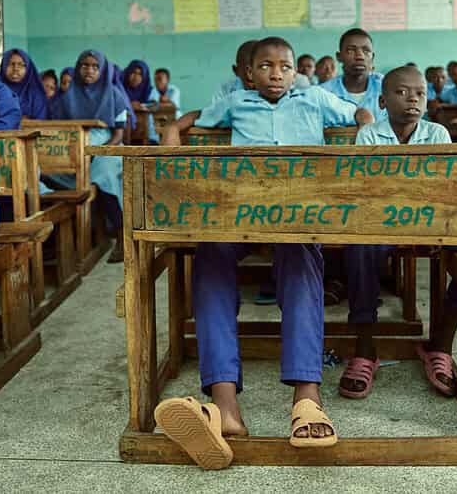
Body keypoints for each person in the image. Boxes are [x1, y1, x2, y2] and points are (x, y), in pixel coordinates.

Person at [154, 37, 373, 469]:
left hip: (298, 214)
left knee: (303, 260)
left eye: (285, 67)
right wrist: (174, 129)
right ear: (248, 73)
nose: (276, 74)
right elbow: (199, 116)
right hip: (239, 211)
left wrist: (365, 123)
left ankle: (306, 399)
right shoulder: (236, 102)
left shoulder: (314, 98)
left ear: (296, 72)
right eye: (266, 67)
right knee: (211, 256)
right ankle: (224, 405)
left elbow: (357, 114)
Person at [339, 67, 457, 400]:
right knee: (359, 247)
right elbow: (368, 189)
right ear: (382, 100)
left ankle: (440, 346)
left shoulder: (437, 134)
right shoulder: (369, 135)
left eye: (419, 93)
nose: (412, 99)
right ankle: (365, 350)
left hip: (430, 221)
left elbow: (443, 187)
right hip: (382, 220)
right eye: (402, 93)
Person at [50, 50, 131, 263]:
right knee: (48, 172)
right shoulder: (67, 97)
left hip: (107, 149)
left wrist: (96, 153)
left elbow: (118, 134)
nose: (90, 70)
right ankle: (73, 239)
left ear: (103, 70)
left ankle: (122, 234)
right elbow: (57, 131)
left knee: (102, 173)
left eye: (95, 66)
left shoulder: (114, 95)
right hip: (75, 149)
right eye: (85, 65)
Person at [318, 28, 386, 120]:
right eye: (351, 50)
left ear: (372, 57)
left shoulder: (386, 89)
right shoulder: (324, 94)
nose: (360, 56)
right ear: (339, 57)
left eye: (366, 51)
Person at [0, 49, 49, 120]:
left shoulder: (36, 93)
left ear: (28, 68)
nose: (16, 68)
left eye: (21, 64)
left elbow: (41, 121)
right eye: (11, 64)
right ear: (3, 66)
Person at [123, 59, 157, 143]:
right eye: (133, 72)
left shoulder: (149, 90)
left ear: (144, 77)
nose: (136, 77)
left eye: (140, 74)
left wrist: (142, 106)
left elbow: (155, 105)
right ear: (128, 73)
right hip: (124, 134)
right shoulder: (121, 87)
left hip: (143, 131)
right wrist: (129, 105)